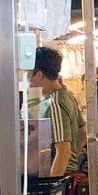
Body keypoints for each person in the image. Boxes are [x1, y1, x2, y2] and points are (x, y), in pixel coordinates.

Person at [28, 47, 81, 177]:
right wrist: (73, 157)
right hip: (64, 171)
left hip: (58, 174)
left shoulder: (55, 102)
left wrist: (52, 185)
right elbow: (83, 132)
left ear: (39, 74)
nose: (27, 78)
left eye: (28, 73)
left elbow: (63, 151)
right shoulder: (66, 95)